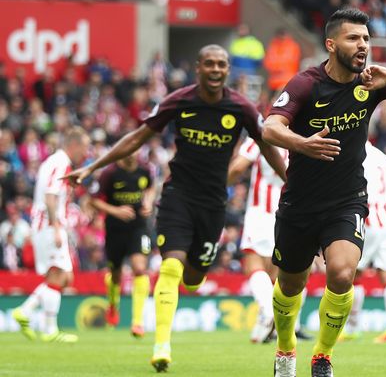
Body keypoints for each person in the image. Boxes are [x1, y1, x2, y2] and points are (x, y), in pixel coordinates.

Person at [64, 45, 287, 373]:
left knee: (194, 279)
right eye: (208, 63)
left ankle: (183, 288)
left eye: (221, 65)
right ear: (198, 67)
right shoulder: (179, 101)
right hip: (177, 197)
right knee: (170, 266)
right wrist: (91, 167)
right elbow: (138, 136)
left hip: (213, 205)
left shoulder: (241, 106)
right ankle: (162, 346)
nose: (215, 69)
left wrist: (291, 181)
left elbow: (267, 146)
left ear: (227, 71)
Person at [263, 7, 386, 377]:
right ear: (331, 44)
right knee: (290, 284)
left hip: (346, 201)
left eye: (366, 39)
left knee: (342, 274)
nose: (363, 45)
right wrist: (302, 144)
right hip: (300, 203)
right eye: (353, 38)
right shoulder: (306, 84)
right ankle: (285, 348)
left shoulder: (370, 82)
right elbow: (270, 128)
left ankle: (322, 356)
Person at [227, 137, 311, 343]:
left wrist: (220, 185)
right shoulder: (301, 137)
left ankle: (266, 311)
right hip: (291, 212)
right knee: (280, 273)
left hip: (261, 213)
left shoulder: (262, 134)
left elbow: (238, 167)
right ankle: (279, 326)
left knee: (254, 265)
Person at [12, 126, 91, 343]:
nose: (85, 154)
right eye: (83, 148)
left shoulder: (55, 162)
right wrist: (56, 227)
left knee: (64, 277)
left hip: (48, 224)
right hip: (49, 224)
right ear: (73, 144)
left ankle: (27, 312)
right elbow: (50, 196)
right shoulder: (60, 162)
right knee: (59, 275)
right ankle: (47, 329)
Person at [341, 141, 386, 343]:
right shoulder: (383, 158)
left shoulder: (352, 153)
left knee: (353, 275)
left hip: (366, 220)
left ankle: (352, 327)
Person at [89, 154, 155, 338]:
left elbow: (150, 187)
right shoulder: (109, 173)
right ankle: (112, 304)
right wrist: (115, 211)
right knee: (116, 275)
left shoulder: (145, 169)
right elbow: (93, 200)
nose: (134, 154)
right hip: (115, 229)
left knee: (140, 269)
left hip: (139, 227)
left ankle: (138, 322)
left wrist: (148, 202)